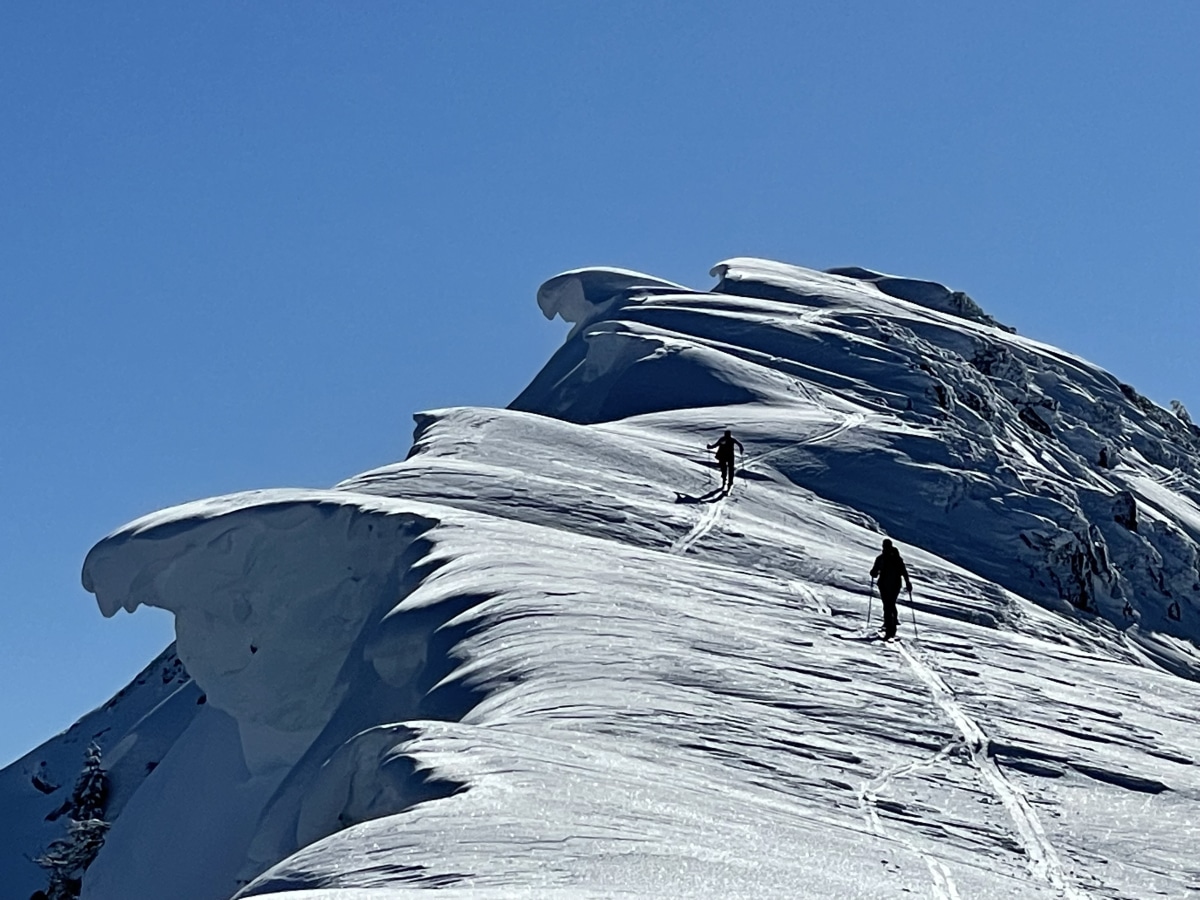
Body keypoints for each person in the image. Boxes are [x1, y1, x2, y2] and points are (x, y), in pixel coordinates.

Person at [870, 539, 912, 639]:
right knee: (890, 604)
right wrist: (907, 583)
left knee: (887, 604)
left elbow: (874, 572)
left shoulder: (881, 558)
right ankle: (891, 624)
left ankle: (890, 629)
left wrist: (873, 573)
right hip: (895, 585)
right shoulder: (897, 558)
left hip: (884, 585)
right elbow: (904, 572)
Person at [706, 429, 744, 493]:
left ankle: (724, 481)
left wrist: (709, 447)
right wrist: (741, 449)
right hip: (730, 457)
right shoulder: (732, 439)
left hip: (723, 457)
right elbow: (740, 445)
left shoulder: (723, 439)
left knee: (724, 469)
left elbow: (715, 445)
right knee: (730, 470)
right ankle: (729, 482)